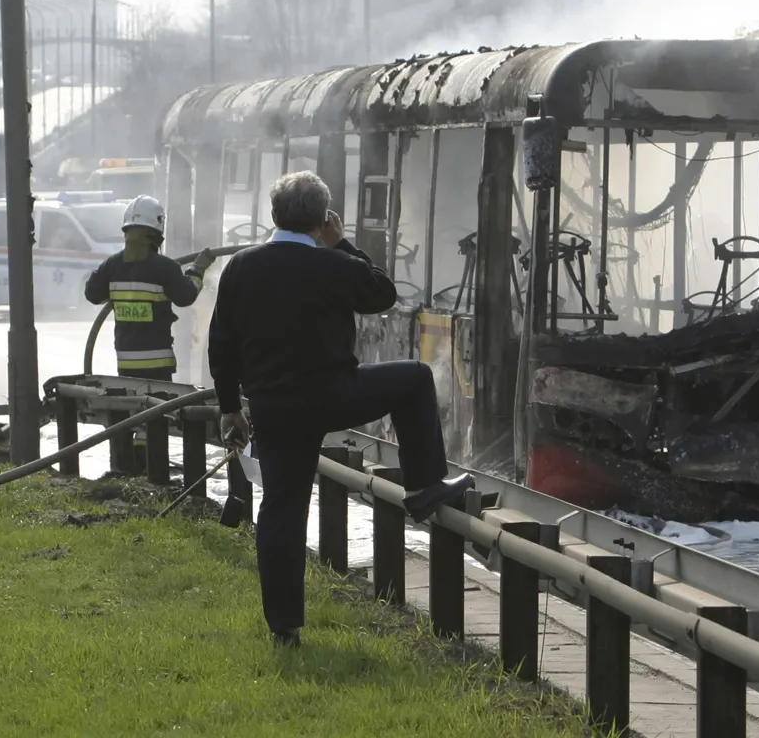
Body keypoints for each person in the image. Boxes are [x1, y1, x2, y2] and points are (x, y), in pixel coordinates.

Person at [207, 171, 474, 648]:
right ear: (322, 219)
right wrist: (344, 244)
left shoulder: (241, 267)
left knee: (282, 510)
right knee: (414, 378)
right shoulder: (333, 266)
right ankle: (424, 486)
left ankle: (284, 627)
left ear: (273, 215)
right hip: (334, 396)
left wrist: (231, 407)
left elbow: (221, 343)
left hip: (274, 407)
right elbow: (383, 294)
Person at [83, 195, 217, 381]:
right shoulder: (165, 267)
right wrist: (198, 269)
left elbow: (92, 294)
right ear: (157, 231)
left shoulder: (111, 266)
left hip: (125, 366)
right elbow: (186, 296)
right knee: (160, 410)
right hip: (158, 368)